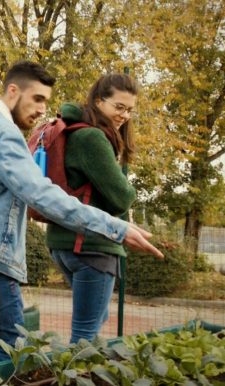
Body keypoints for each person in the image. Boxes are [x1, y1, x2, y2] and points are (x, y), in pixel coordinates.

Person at [0, 61, 163, 363]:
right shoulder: (4, 134)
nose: (41, 109)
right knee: (15, 355)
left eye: (46, 101)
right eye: (37, 99)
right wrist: (116, 227)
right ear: (13, 91)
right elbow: (44, 195)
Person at [46, 73, 142, 344]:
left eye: (130, 110)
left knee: (92, 324)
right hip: (91, 246)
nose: (124, 115)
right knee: (85, 337)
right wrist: (126, 181)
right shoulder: (93, 138)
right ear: (99, 101)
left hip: (66, 243)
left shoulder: (74, 129)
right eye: (119, 107)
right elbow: (122, 197)